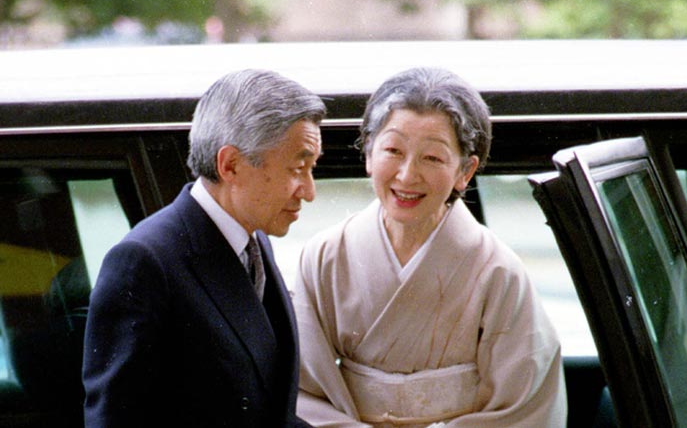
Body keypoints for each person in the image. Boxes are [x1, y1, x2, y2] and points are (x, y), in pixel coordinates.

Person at [293, 67, 567, 428]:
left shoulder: (499, 273)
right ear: (369, 154)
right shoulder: (325, 257)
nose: (407, 175)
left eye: (433, 158)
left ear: (465, 171)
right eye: (393, 150)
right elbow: (301, 395)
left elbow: (527, 408)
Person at [82, 69, 325, 428]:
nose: (309, 191)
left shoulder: (254, 240)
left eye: (311, 169)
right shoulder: (144, 261)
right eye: (297, 169)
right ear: (230, 165)